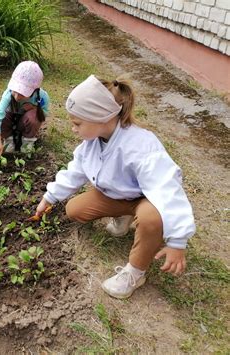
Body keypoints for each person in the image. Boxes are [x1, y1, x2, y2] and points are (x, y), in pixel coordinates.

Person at [35, 74, 195, 299]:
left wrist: (178, 241)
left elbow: (167, 191)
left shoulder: (140, 146)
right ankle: (124, 217)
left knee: (151, 219)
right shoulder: (91, 143)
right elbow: (74, 172)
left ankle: (135, 273)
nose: (73, 129)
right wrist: (49, 197)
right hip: (117, 196)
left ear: (101, 117)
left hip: (146, 199)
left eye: (77, 123)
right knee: (74, 210)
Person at [0, 60, 49, 156]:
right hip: (9, 122)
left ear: (35, 90)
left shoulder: (42, 97)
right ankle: (9, 140)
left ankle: (27, 142)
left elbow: (44, 114)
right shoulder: (8, 94)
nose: (17, 97)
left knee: (35, 116)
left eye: (22, 93)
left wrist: (34, 107)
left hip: (24, 124)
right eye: (16, 91)